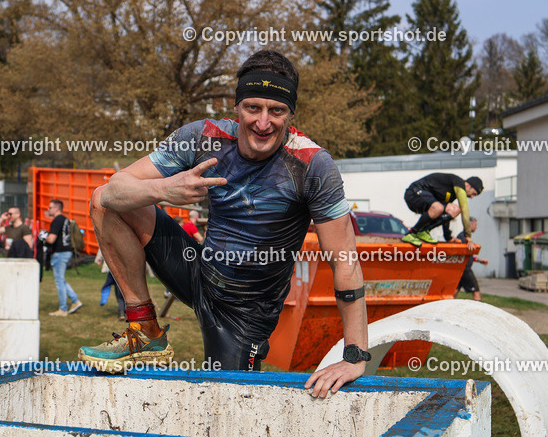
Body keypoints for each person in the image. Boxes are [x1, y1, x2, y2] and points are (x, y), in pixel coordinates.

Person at [82, 49, 370, 396]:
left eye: (276, 111)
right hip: (200, 274)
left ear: (290, 113)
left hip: (245, 316)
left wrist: (355, 355)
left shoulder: (312, 165)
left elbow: (345, 261)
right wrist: (162, 189)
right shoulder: (203, 137)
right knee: (103, 199)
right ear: (236, 106)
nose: (263, 123)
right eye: (253, 108)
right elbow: (114, 190)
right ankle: (144, 330)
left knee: (226, 407)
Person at [401, 173, 481, 247]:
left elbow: (446, 214)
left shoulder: (451, 194)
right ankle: (412, 233)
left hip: (426, 199)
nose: (472, 197)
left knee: (454, 209)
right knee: (439, 207)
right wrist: (468, 236)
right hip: (413, 193)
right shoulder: (459, 183)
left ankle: (424, 231)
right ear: (467, 185)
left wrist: (448, 237)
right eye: (473, 193)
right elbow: (465, 209)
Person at [44, 199, 83, 317]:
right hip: (66, 252)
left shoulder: (57, 220)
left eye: (50, 207)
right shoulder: (65, 219)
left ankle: (63, 308)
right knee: (61, 279)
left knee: (59, 281)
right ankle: (75, 300)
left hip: (60, 253)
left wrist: (44, 236)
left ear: (56, 208)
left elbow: (51, 239)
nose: (48, 209)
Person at [454, 217, 488, 301]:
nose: (476, 227)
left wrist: (480, 260)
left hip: (460, 269)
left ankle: (444, 308)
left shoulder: (463, 237)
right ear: (470, 225)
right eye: (475, 225)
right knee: (476, 292)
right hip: (465, 269)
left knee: (454, 291)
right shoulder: (463, 238)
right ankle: (477, 312)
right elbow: (461, 255)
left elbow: (467, 256)